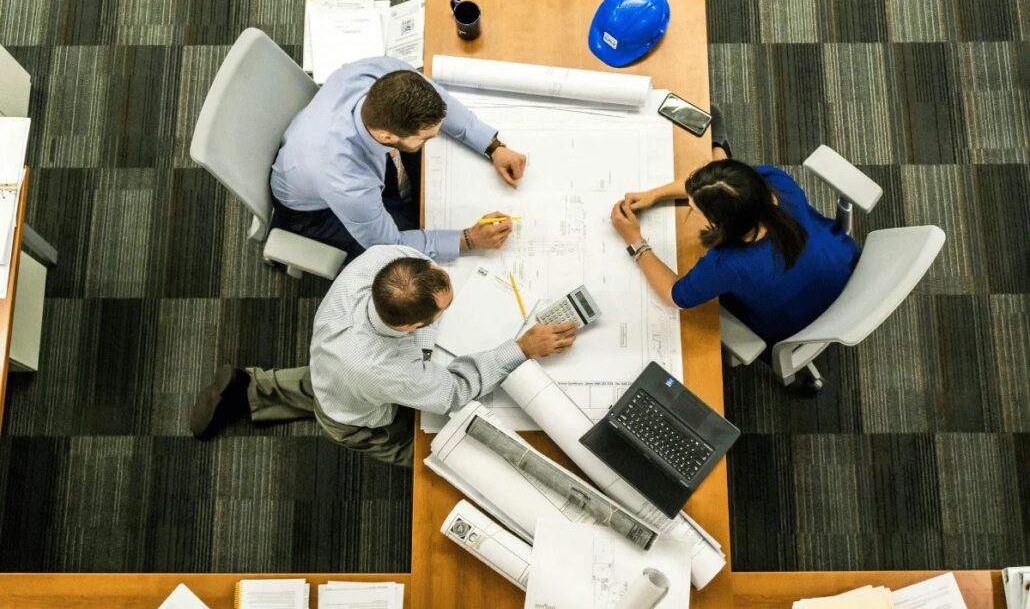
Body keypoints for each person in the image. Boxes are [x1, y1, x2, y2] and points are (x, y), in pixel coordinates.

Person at [189, 245, 577, 466]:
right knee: (430, 452)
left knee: (326, 382)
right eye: (444, 309)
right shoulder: (387, 370)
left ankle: (251, 387)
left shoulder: (382, 261)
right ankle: (434, 462)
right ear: (412, 327)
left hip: (332, 363)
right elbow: (454, 392)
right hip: (356, 415)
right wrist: (521, 348)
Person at [609, 120, 860, 380]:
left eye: (695, 210)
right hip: (845, 266)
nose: (692, 210)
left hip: (795, 321)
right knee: (716, 129)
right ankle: (720, 149)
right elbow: (718, 183)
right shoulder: (775, 183)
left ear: (720, 224)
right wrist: (654, 194)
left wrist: (636, 241)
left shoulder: (729, 264)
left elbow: (675, 296)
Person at [271, 56, 529, 263]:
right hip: (314, 212)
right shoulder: (346, 180)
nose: (433, 139)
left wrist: (492, 146)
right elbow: (389, 244)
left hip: (316, 150)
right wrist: (469, 239)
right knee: (406, 258)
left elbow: (440, 100)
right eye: (425, 138)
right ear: (386, 135)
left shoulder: (384, 74)